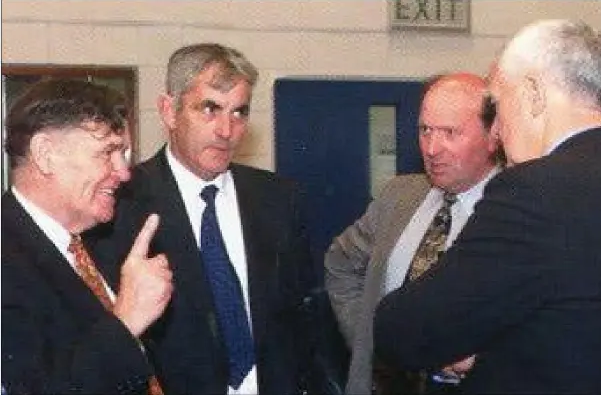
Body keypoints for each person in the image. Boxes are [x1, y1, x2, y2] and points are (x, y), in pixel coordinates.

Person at [91, 43, 338, 395]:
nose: (227, 129)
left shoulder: (278, 200)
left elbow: (305, 322)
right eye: (209, 109)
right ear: (169, 111)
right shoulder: (121, 206)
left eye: (239, 112)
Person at [374, 19, 601, 394]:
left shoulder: (536, 191)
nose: (495, 132)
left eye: (496, 106)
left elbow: (406, 331)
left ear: (533, 94)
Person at [325, 72, 502, 395]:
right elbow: (340, 264)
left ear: (493, 135)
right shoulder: (399, 196)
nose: (432, 148)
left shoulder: (516, 211)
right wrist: (369, 341)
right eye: (425, 130)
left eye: (450, 132)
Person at [1, 79, 173, 394]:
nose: (124, 172)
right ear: (45, 154)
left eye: (124, 154)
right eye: (108, 152)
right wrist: (126, 320)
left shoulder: (100, 244)